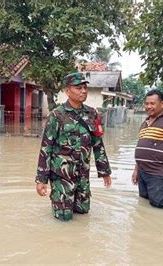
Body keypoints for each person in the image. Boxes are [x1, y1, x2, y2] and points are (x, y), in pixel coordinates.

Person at [35, 72, 112, 221]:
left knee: (83, 213)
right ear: (67, 91)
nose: (83, 91)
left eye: (85, 87)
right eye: (78, 87)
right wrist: (41, 180)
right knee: (64, 218)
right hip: (61, 175)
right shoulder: (56, 115)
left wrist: (105, 171)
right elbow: (46, 148)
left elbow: (98, 144)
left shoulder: (92, 114)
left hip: (83, 174)